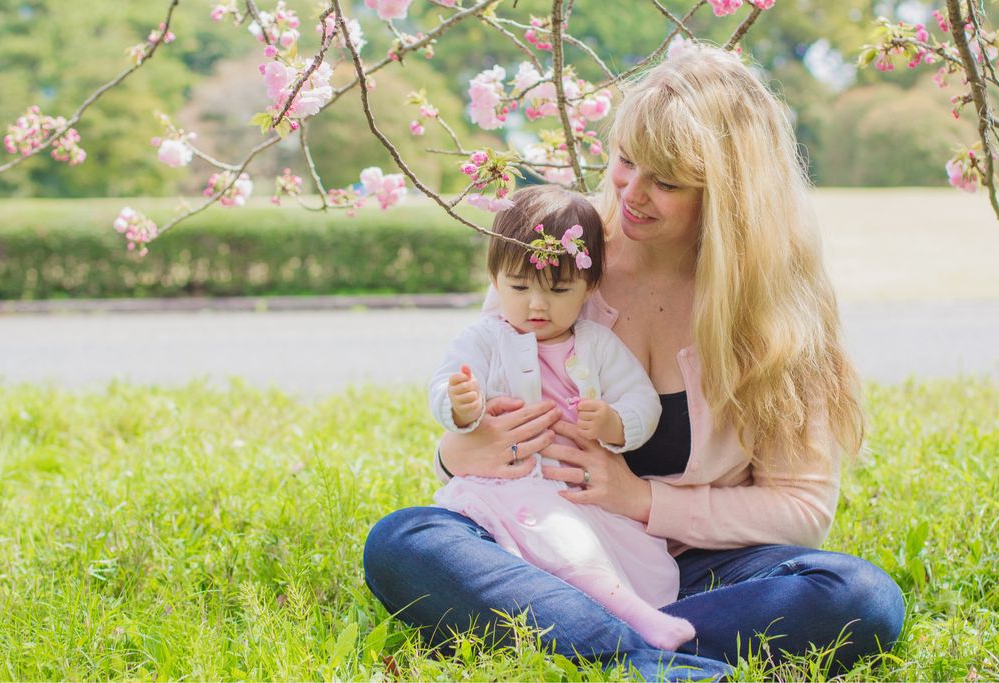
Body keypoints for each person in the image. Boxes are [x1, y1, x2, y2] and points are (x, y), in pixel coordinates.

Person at [363, 43, 905, 681]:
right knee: (404, 540)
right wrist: (457, 453)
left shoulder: (777, 305)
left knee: (860, 595)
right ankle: (648, 660)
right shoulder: (559, 254)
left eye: (667, 181)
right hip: (547, 548)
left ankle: (603, 647)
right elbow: (472, 424)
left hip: (697, 572)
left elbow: (800, 509)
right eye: (625, 160)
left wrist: (642, 499)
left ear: (731, 194)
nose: (631, 193)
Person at [430, 184, 696, 651]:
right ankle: (636, 623)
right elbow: (447, 383)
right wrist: (461, 406)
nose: (536, 305)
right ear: (495, 280)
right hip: (506, 488)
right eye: (518, 287)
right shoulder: (485, 338)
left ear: (589, 287)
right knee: (452, 542)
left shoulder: (595, 344)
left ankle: (615, 627)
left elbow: (642, 401)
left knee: (597, 552)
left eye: (558, 290)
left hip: (576, 494)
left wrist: (615, 423)